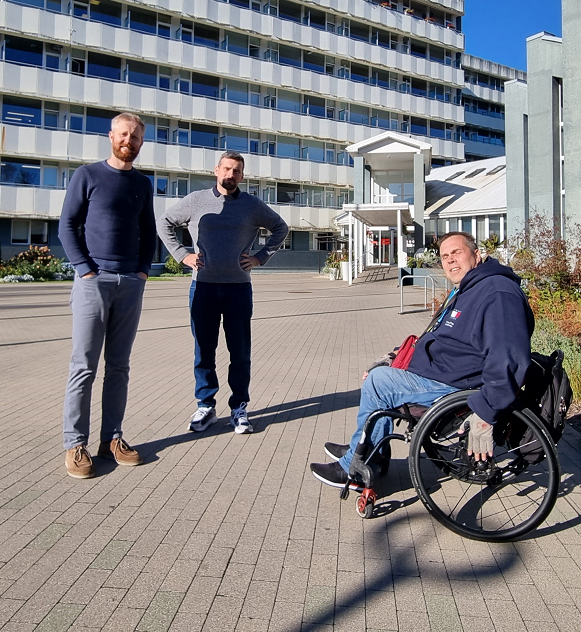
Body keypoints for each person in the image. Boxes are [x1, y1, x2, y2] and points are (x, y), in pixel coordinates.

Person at [310, 231, 534, 489]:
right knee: (380, 375)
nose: (450, 261)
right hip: (442, 372)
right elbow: (439, 336)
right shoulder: (470, 287)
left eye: (457, 253)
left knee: (379, 383)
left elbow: (509, 357)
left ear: (476, 255)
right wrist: (395, 356)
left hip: (456, 384)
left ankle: (357, 468)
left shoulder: (496, 292)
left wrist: (486, 411)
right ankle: (369, 452)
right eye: (445, 256)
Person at [157, 151, 289, 435]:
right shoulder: (195, 201)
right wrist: (182, 255)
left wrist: (260, 257)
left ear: (242, 176)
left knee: (239, 352)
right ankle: (205, 405)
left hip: (238, 289)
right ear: (216, 170)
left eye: (237, 171)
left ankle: (239, 407)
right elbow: (164, 222)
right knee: (203, 350)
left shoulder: (252, 205)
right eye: (227, 169)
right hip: (202, 287)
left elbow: (281, 227)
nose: (231, 174)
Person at [58, 112, 156, 479]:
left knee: (119, 366)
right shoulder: (87, 175)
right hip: (93, 281)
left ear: (141, 143)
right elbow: (67, 224)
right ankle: (74, 443)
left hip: (130, 282)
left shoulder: (143, 184)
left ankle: (111, 439)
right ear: (111, 136)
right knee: (84, 366)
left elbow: (149, 230)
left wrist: (142, 271)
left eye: (135, 137)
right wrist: (84, 268)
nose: (128, 141)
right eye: (123, 134)